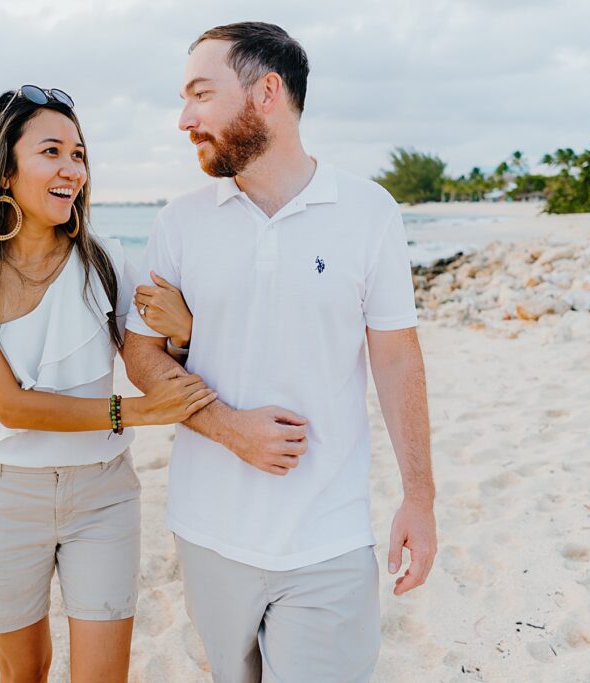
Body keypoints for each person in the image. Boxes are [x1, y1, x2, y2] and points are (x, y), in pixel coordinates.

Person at [123, 23, 438, 682]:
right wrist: (231, 428)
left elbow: (398, 359)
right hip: (208, 531)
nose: (184, 119)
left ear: (267, 92)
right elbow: (141, 354)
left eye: (200, 95)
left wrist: (420, 497)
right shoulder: (178, 222)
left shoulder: (368, 212)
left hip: (328, 531)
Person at [0, 85, 214, 682]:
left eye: (79, 154)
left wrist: (186, 332)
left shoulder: (106, 264)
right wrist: (135, 414)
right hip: (4, 497)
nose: (71, 169)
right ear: (4, 169)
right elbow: (8, 405)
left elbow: (153, 361)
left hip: (102, 496)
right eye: (52, 151)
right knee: (23, 673)